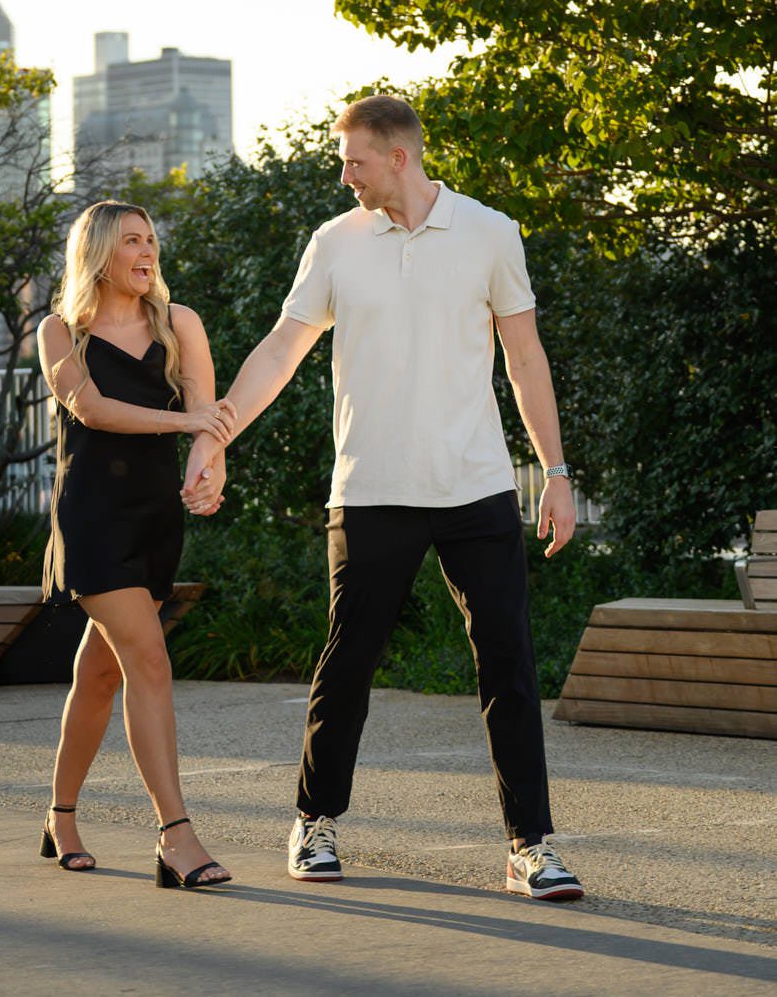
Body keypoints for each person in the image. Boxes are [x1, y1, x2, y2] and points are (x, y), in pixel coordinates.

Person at [183, 96, 584, 902]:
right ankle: (315, 821)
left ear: (398, 156)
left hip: (472, 485)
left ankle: (529, 845)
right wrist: (215, 433)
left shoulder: (489, 233)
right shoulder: (335, 242)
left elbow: (525, 358)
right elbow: (281, 348)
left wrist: (556, 473)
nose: (345, 175)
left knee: (508, 662)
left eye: (354, 161)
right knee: (350, 661)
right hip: (369, 490)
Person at [37, 200, 233, 889]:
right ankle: (175, 838)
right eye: (131, 241)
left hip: (154, 521)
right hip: (91, 518)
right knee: (148, 659)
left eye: (151, 239)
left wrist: (207, 467)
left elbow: (209, 418)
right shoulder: (60, 331)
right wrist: (184, 424)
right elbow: (89, 408)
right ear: (98, 254)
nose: (147, 251)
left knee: (99, 675)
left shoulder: (179, 323)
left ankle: (59, 816)